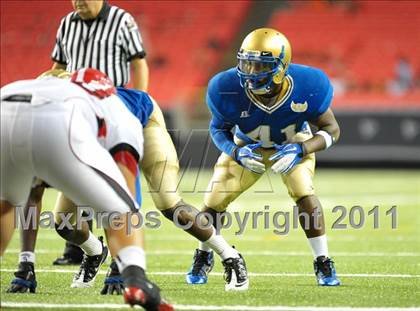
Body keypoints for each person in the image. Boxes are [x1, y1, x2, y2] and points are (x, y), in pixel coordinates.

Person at [6, 69, 248, 294]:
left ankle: (230, 256)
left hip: (143, 122)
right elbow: (32, 194)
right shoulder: (33, 118)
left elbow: (128, 199)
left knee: (169, 204)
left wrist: (121, 266)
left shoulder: (113, 114)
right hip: (85, 138)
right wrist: (25, 263)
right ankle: (94, 252)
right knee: (65, 223)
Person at [0, 69, 173, 310]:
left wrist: (26, 264)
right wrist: (127, 266)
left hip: (5, 105)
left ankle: (26, 266)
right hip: (59, 123)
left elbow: (33, 194)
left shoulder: (32, 84)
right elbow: (125, 192)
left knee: (5, 203)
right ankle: (137, 282)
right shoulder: (114, 107)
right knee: (121, 210)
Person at [186, 28, 341, 287]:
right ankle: (203, 254)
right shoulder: (226, 87)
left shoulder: (308, 85)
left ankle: (323, 261)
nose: (251, 72)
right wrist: (235, 151)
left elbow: (332, 129)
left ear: (282, 67)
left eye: (260, 66)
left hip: (292, 144)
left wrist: (302, 150)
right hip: (247, 146)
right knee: (213, 201)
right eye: (246, 63)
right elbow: (217, 129)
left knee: (304, 192)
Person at [49, 0, 149, 265]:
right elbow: (58, 67)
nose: (78, 1)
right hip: (76, 110)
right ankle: (80, 245)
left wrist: (137, 102)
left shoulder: (121, 20)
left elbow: (138, 62)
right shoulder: (66, 23)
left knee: (110, 179)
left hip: (111, 107)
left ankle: (119, 259)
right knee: (77, 170)